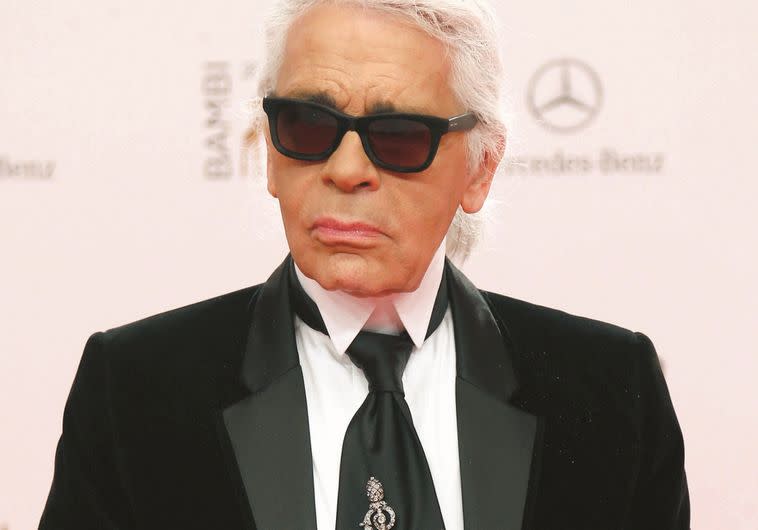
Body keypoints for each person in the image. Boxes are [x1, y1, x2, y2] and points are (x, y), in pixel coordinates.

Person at [39, 1, 690, 529]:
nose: (346, 170)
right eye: (307, 126)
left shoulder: (611, 391)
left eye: (399, 136)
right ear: (270, 154)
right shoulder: (134, 390)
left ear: (480, 169)